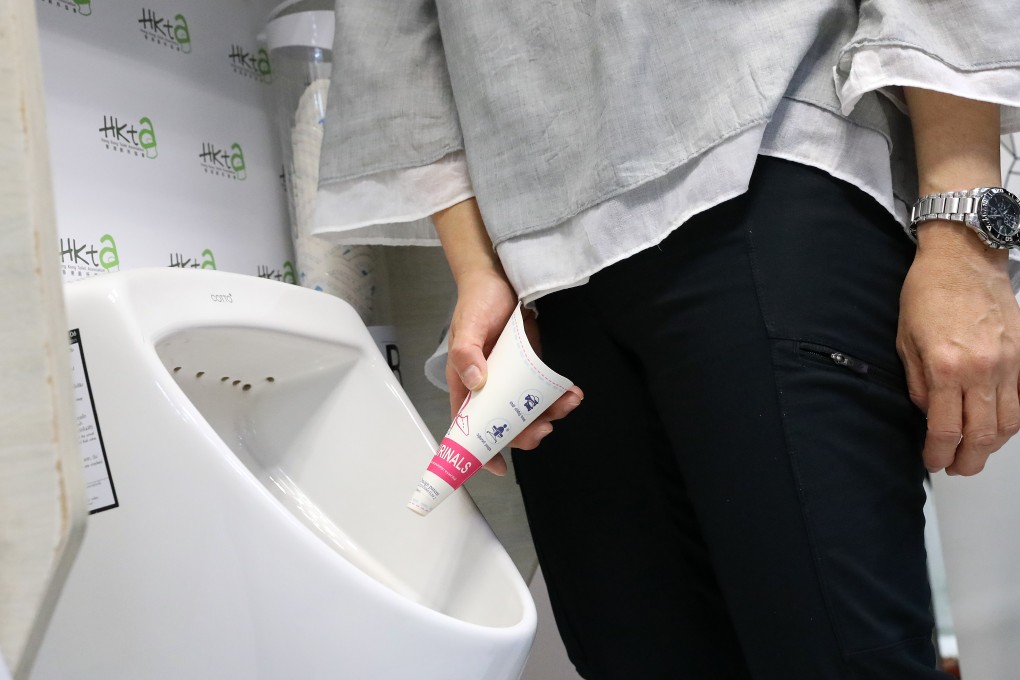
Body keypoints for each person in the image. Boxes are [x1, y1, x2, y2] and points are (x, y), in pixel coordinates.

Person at [315, 2, 1020, 677]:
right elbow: (392, 26)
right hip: (537, 257)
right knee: (638, 659)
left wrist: (962, 227)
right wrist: (477, 269)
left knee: (837, 656)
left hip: (771, 144)